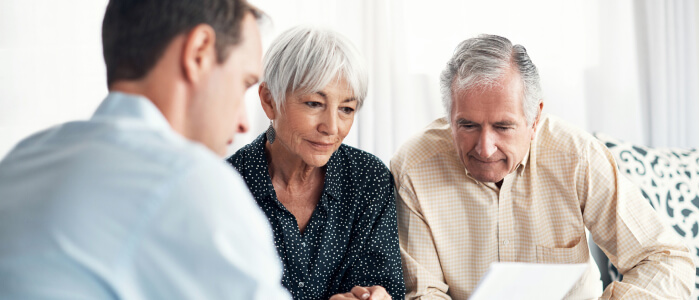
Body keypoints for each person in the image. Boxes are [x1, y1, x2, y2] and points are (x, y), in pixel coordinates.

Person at [0, 0, 290, 299]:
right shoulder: (188, 180)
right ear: (199, 52)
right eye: (243, 83)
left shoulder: (22, 160)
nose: (244, 123)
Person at [391, 34, 695, 299]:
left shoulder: (577, 155)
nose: (484, 148)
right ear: (449, 116)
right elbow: (423, 293)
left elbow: (665, 259)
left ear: (535, 119)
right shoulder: (413, 168)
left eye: (503, 126)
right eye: (467, 125)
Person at [227, 26, 405, 300]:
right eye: (313, 103)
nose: (331, 127)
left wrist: (376, 296)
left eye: (346, 109)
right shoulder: (225, 186)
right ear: (269, 100)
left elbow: (385, 285)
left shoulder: (368, 178)